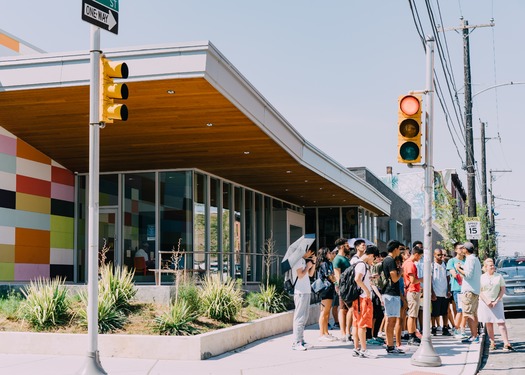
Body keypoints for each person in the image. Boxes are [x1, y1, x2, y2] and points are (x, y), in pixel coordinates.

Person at [479, 258, 515, 351]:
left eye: (493, 265)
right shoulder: (481, 277)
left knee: (501, 322)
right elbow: (479, 291)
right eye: (490, 265)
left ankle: (506, 343)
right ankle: (492, 342)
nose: (492, 267)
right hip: (485, 302)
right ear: (486, 267)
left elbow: (502, 289)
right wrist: (487, 301)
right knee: (489, 322)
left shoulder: (498, 276)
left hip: (497, 302)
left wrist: (496, 300)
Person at [352, 245, 380, 359]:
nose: (373, 261)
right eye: (374, 258)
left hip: (357, 298)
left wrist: (370, 278)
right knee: (362, 325)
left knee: (356, 324)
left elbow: (359, 279)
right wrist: (367, 291)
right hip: (363, 298)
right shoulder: (362, 265)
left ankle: (356, 348)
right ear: (371, 255)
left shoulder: (358, 263)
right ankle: (363, 349)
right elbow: (357, 279)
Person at [382, 240, 405, 354]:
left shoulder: (387, 260)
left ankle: (390, 345)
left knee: (390, 320)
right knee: (391, 321)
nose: (400, 252)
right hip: (391, 293)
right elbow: (394, 278)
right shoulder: (390, 261)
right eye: (399, 249)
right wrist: (400, 271)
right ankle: (390, 346)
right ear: (395, 249)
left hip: (389, 293)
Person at [455, 241, 482, 344]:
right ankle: (474, 335)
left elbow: (468, 275)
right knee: (473, 314)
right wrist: (462, 268)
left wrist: (458, 268)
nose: (461, 250)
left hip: (469, 291)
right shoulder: (475, 259)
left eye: (462, 248)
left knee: (469, 314)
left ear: (465, 250)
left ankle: (474, 335)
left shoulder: (470, 259)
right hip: (474, 289)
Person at [291, 248, 317, 351]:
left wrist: (313, 263)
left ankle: (301, 340)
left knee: (304, 317)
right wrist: (307, 266)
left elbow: (310, 274)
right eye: (310, 252)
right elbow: (300, 275)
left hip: (306, 291)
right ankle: (296, 342)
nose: (311, 254)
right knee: (299, 317)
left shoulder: (302, 261)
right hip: (300, 292)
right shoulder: (298, 261)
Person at [402, 246, 424, 346]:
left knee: (413, 314)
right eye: (420, 256)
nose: (420, 258)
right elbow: (413, 280)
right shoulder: (410, 264)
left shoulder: (406, 263)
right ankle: (411, 335)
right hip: (413, 290)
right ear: (416, 254)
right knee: (412, 315)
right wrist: (422, 279)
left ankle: (413, 334)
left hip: (412, 290)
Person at [315, 247, 337, 342]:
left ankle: (326, 332)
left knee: (327, 312)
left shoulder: (327, 263)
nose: (330, 254)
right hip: (326, 289)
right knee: (324, 312)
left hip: (329, 289)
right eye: (329, 252)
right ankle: (322, 333)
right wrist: (336, 281)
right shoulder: (324, 264)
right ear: (325, 254)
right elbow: (329, 276)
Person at [333, 238, 352, 342]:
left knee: (345, 309)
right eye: (346, 245)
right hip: (343, 287)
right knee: (344, 309)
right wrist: (342, 288)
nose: (348, 247)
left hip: (347, 286)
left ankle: (346, 331)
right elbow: (337, 275)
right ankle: (343, 332)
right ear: (341, 247)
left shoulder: (345, 258)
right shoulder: (338, 259)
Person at [447, 242, 467, 338]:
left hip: (467, 289)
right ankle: (456, 328)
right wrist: (459, 270)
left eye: (463, 248)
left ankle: (462, 329)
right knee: (460, 309)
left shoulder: (467, 260)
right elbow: (455, 275)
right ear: (455, 250)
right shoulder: (452, 261)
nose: (462, 250)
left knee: (466, 311)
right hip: (458, 288)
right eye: (460, 248)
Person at [431, 248, 452, 336]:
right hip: (436, 292)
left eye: (441, 255)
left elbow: (448, 278)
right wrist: (432, 292)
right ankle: (434, 327)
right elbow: (430, 279)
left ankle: (445, 327)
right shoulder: (432, 265)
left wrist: (448, 290)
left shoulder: (445, 265)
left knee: (445, 312)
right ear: (434, 255)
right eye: (438, 255)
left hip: (444, 292)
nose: (440, 257)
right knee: (434, 313)